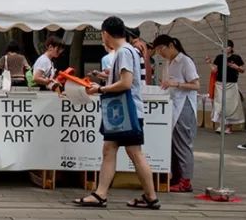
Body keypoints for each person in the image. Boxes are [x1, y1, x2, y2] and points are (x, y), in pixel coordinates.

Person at [75, 16, 159, 210]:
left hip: (125, 112)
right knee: (112, 149)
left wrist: (100, 89)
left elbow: (126, 83)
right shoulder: (126, 51)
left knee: (134, 153)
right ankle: (102, 193)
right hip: (123, 111)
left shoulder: (123, 52)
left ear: (105, 34)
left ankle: (149, 196)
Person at [153, 34, 200, 193]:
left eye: (161, 49)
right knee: (172, 144)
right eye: (158, 50)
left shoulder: (185, 61)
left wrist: (176, 83)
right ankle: (176, 177)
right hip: (172, 106)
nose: (160, 53)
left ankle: (185, 181)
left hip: (184, 106)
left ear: (172, 45)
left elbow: (196, 85)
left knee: (182, 144)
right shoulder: (168, 62)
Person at [211, 39, 246, 134]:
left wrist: (236, 67)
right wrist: (209, 63)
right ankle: (220, 125)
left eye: (227, 46)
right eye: (223, 46)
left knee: (230, 105)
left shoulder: (236, 58)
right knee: (219, 104)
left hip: (231, 83)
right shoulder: (219, 57)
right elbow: (214, 70)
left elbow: (243, 70)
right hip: (220, 84)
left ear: (231, 48)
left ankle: (229, 127)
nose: (225, 48)